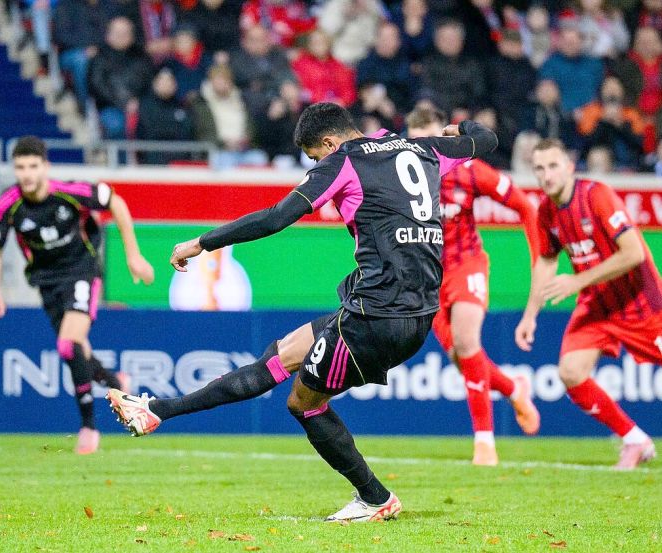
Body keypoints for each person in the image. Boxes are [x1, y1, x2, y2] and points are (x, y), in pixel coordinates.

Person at [108, 103, 498, 522]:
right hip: (413, 310)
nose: (317, 164)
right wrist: (462, 126)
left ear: (329, 143)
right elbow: (488, 139)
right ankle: (155, 411)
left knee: (303, 403)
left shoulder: (343, 160)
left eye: (315, 156)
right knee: (281, 354)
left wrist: (201, 243)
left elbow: (277, 217)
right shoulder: (426, 149)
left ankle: (375, 498)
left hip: (376, 316)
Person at [0, 136, 155, 455]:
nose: (27, 174)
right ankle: (116, 383)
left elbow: (115, 201)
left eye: (33, 166)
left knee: (67, 344)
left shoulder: (70, 192)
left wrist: (133, 255)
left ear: (45, 167)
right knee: (76, 351)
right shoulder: (8, 205)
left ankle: (89, 427)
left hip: (82, 271)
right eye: (20, 167)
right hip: (47, 282)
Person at [405, 108, 541, 466]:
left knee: (467, 343)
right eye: (417, 139)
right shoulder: (401, 179)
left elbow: (525, 206)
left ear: (445, 138)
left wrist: (539, 257)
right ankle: (514, 389)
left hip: (467, 265)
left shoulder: (468, 171)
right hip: (427, 279)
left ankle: (484, 442)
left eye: (431, 138)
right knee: (462, 358)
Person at [515, 138, 658, 470]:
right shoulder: (546, 212)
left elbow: (634, 253)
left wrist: (577, 280)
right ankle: (634, 439)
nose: (547, 175)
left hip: (641, 304)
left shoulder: (597, 195)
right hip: (598, 304)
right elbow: (546, 263)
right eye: (539, 168)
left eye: (553, 166)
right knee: (570, 371)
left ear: (569, 166)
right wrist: (530, 315)